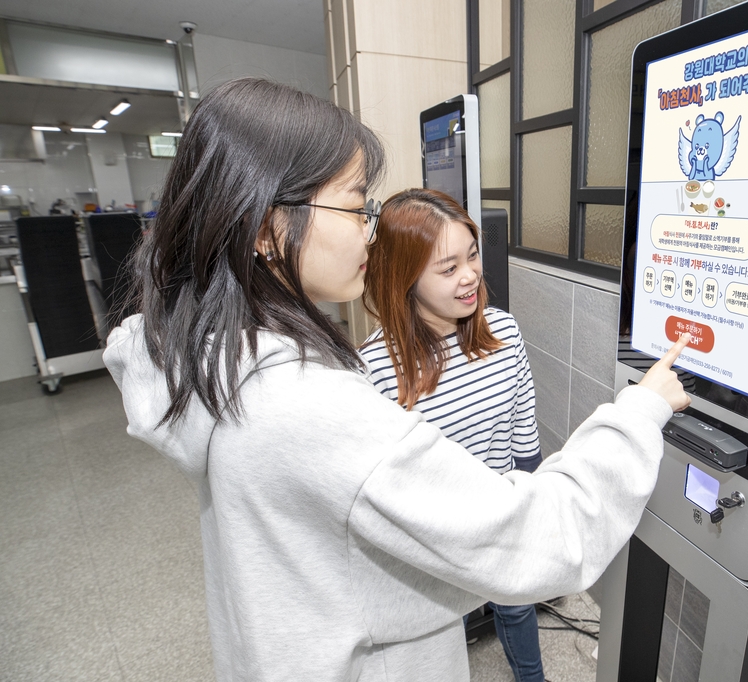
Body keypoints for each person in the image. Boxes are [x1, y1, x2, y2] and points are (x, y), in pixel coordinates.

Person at [103, 77, 691, 682]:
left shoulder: (227, 365)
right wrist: (637, 414)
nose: (368, 229)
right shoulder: (310, 407)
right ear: (265, 227)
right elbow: (538, 537)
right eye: (356, 205)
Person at [360, 188, 544, 681]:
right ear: (405, 277)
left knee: (517, 607)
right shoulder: (375, 367)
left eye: (473, 255)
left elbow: (523, 433)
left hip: (503, 517)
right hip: (433, 539)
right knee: (442, 627)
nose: (470, 276)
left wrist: (530, 507)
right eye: (447, 268)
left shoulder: (504, 333)